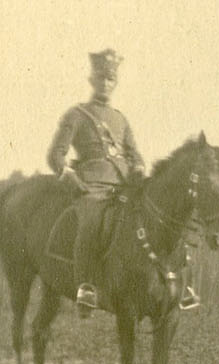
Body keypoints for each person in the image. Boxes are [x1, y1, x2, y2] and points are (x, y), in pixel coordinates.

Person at [47, 49, 189, 315]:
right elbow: (56, 155)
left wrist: (137, 170)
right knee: (90, 224)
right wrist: (70, 177)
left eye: (110, 80)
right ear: (92, 80)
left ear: (115, 83)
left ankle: (174, 283)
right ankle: (86, 288)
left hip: (124, 187)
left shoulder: (120, 119)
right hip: (91, 188)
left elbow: (135, 154)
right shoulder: (77, 115)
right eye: (101, 78)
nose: (105, 84)